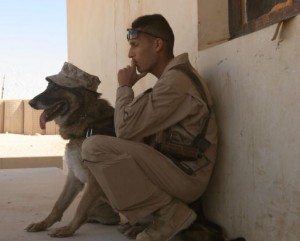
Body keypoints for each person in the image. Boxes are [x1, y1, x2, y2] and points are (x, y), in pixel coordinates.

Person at [82, 14, 218, 241]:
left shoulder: (176, 82)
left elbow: (125, 128)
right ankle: (157, 216)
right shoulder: (172, 79)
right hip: (175, 169)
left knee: (94, 147)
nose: (130, 54)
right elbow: (133, 128)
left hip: (187, 177)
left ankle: (168, 214)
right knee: (114, 142)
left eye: (135, 45)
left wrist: (124, 87)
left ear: (157, 44)